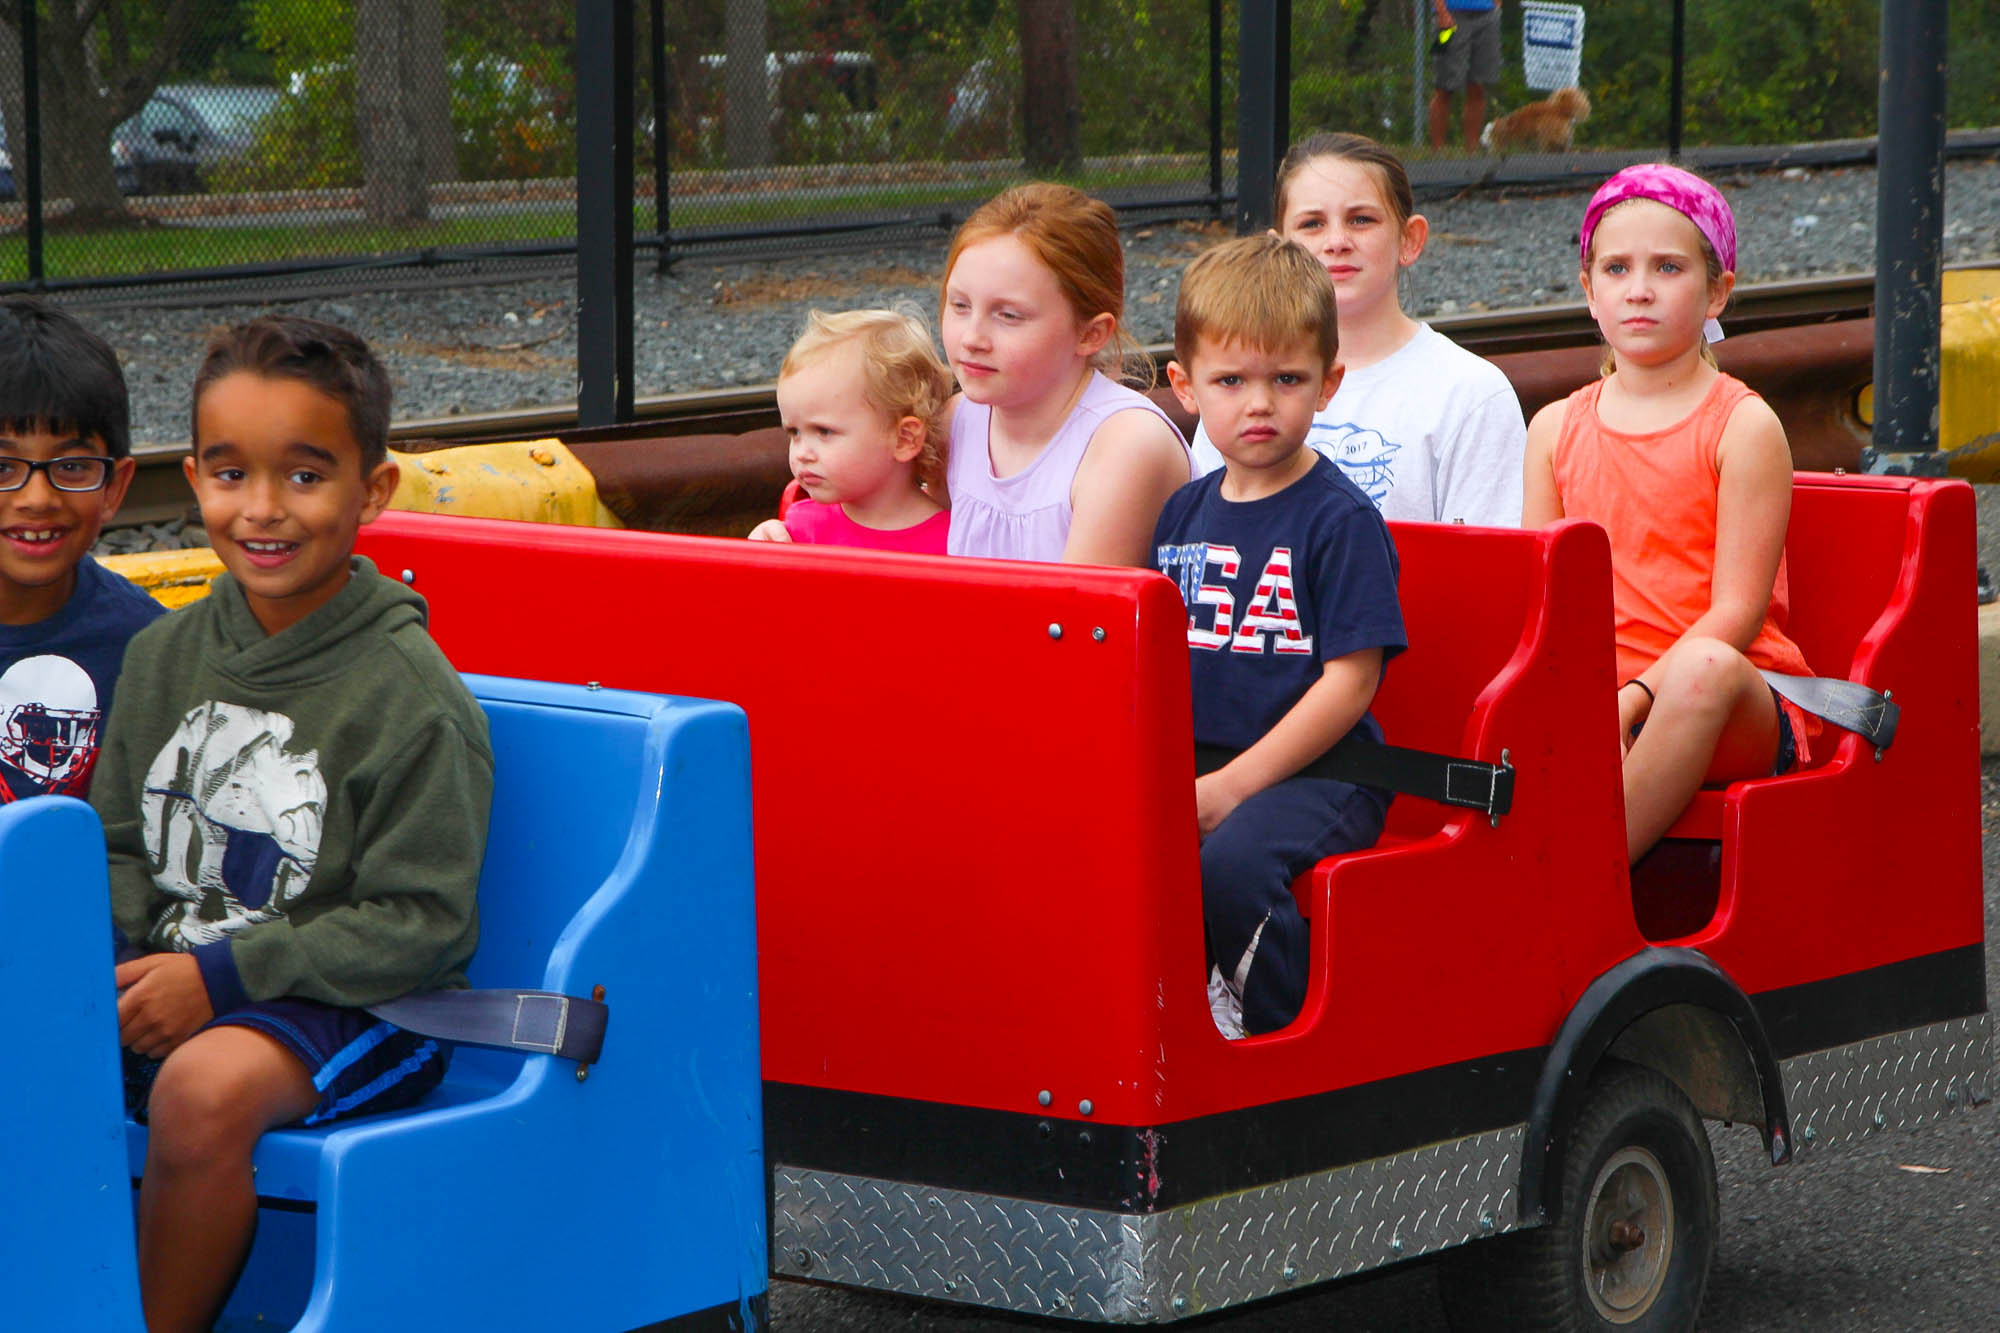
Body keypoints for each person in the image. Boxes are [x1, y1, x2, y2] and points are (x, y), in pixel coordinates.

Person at [93, 316, 493, 1333]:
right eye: (232, 474)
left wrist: (218, 978)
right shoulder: (161, 656)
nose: (263, 508)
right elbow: (117, 845)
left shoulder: (411, 698)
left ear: (374, 489)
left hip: (361, 1006)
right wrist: (121, 964)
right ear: (194, 479)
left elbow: (420, 922)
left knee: (201, 1091)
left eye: (305, 476)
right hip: (182, 977)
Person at [1522, 163, 1816, 865]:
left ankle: (1575, 878)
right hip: (1599, 694)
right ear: (1589, 291)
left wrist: (1634, 696)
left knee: (1703, 668)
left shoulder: (1742, 425)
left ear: (1717, 291)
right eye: (1616, 268)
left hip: (1731, 696)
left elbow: (1738, 612)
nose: (1639, 289)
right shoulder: (1554, 428)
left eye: (1668, 267)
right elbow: (1540, 599)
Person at [1153, 235, 1406, 1039]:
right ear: (1185, 386)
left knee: (1234, 864)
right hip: (1204, 764)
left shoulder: (1339, 520)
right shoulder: (1182, 514)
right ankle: (1161, 1024)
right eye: (1231, 381)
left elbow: (1351, 682)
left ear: (1329, 382)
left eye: (1287, 379)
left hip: (1321, 776)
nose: (1258, 403)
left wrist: (1233, 787)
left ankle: (1276, 1033)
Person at [1189, 133, 1525, 528]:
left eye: (1361, 219)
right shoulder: (1238, 383)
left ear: (1409, 239)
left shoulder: (1470, 393)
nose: (1337, 242)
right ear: (1277, 249)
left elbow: (1488, 560)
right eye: (1312, 223)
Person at [940, 182, 1192, 564]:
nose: (972, 338)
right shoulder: (957, 422)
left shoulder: (1125, 446)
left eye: (1008, 315)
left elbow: (1076, 602)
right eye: (959, 305)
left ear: (1090, 334)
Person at [0, 296, 163, 802]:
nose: (37, 498)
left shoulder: (148, 652)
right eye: (2, 467)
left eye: (71, 467)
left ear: (115, 487)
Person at [747, 308, 953, 553]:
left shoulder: (956, 542)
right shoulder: (799, 529)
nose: (802, 454)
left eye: (824, 432)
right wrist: (761, 549)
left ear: (903, 439)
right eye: (794, 433)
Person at [1430, 0, 1503, 153]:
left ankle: (1472, 150)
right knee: (1443, 87)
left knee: (1478, 86)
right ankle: (1437, 151)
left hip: (1486, 15)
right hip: (1449, 17)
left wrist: (1496, 6)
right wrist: (1442, 12)